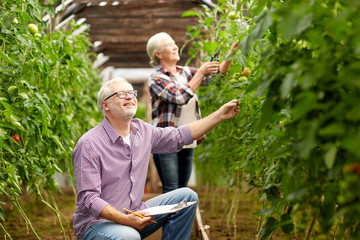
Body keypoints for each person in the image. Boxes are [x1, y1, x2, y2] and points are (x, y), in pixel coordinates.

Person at [72, 77, 240, 240]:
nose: (130, 96)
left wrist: (219, 115)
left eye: (132, 93)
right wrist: (126, 220)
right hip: (98, 225)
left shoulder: (143, 131)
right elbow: (89, 199)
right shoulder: (89, 144)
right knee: (128, 236)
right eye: (122, 94)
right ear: (105, 105)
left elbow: (178, 136)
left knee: (186, 197)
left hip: (134, 214)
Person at [146, 32, 239, 193]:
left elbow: (217, 76)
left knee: (183, 189)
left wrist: (232, 52)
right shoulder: (156, 78)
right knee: (172, 190)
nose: (176, 47)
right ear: (158, 54)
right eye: (170, 44)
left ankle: (181, 218)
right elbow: (179, 96)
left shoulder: (185, 72)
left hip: (188, 137)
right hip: (166, 140)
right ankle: (171, 219)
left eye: (175, 43)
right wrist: (201, 72)